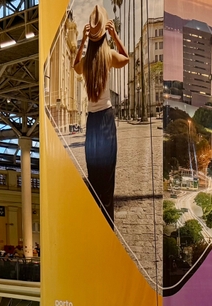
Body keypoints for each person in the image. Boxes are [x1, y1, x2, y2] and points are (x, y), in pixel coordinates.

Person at [72, 5, 129, 228]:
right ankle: (108, 225)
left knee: (94, 177)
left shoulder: (87, 61)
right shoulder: (109, 56)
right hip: (106, 119)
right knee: (107, 179)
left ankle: (96, 225)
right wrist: (115, 35)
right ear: (104, 32)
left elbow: (75, 67)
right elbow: (126, 57)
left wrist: (83, 42)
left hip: (92, 123)